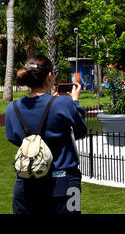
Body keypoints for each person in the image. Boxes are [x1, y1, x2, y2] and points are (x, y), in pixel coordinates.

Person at [5, 55, 87, 214]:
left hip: (26, 184)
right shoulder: (63, 103)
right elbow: (81, 131)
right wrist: (75, 103)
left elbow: (13, 138)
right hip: (63, 182)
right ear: (49, 77)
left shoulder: (12, 108)